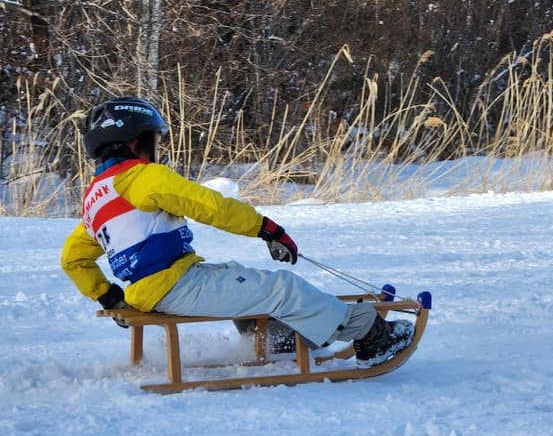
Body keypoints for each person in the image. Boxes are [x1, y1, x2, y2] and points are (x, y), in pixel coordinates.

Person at [61, 96, 413, 367]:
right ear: (136, 143)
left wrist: (110, 297)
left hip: (156, 288)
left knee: (237, 276)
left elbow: (73, 258)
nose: (159, 148)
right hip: (175, 286)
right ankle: (372, 335)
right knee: (282, 287)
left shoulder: (95, 198)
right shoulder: (142, 177)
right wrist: (266, 228)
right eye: (156, 140)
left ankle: (280, 341)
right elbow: (210, 206)